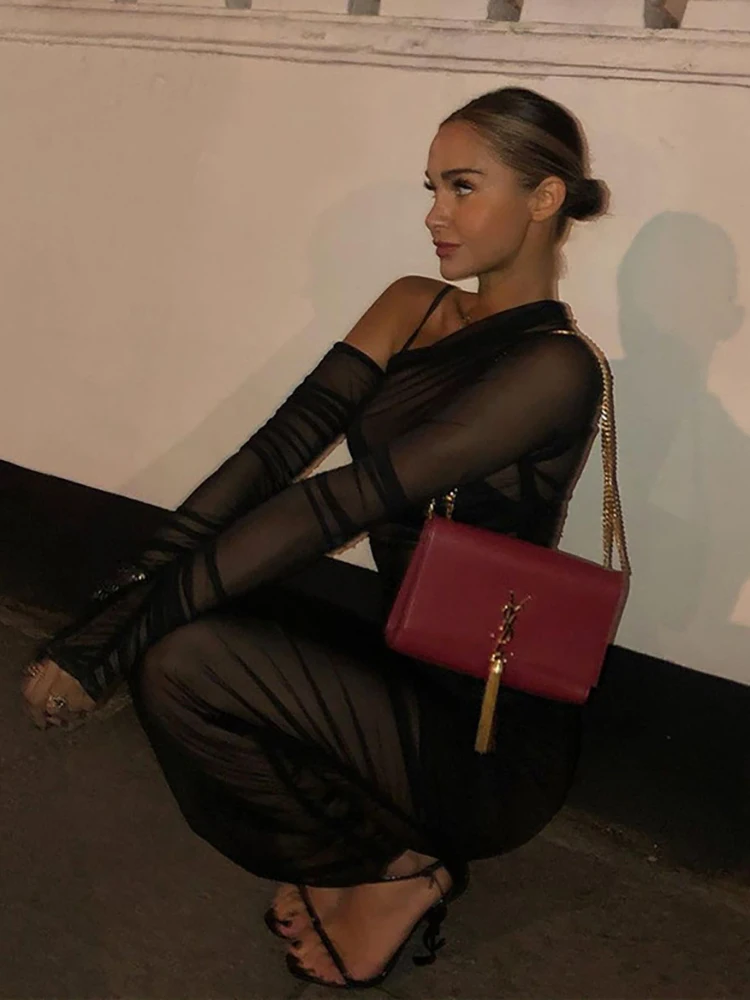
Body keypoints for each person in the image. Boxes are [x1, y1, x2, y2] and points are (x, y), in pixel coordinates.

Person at [22, 87, 607, 989]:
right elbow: (274, 456)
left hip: (484, 721)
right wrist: (124, 600)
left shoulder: (557, 368)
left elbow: (337, 505)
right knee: (184, 645)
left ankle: (394, 877)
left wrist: (116, 637)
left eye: (463, 187)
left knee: (180, 654)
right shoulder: (414, 304)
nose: (435, 214)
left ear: (544, 197)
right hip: (395, 651)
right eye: (432, 187)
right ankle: (376, 857)